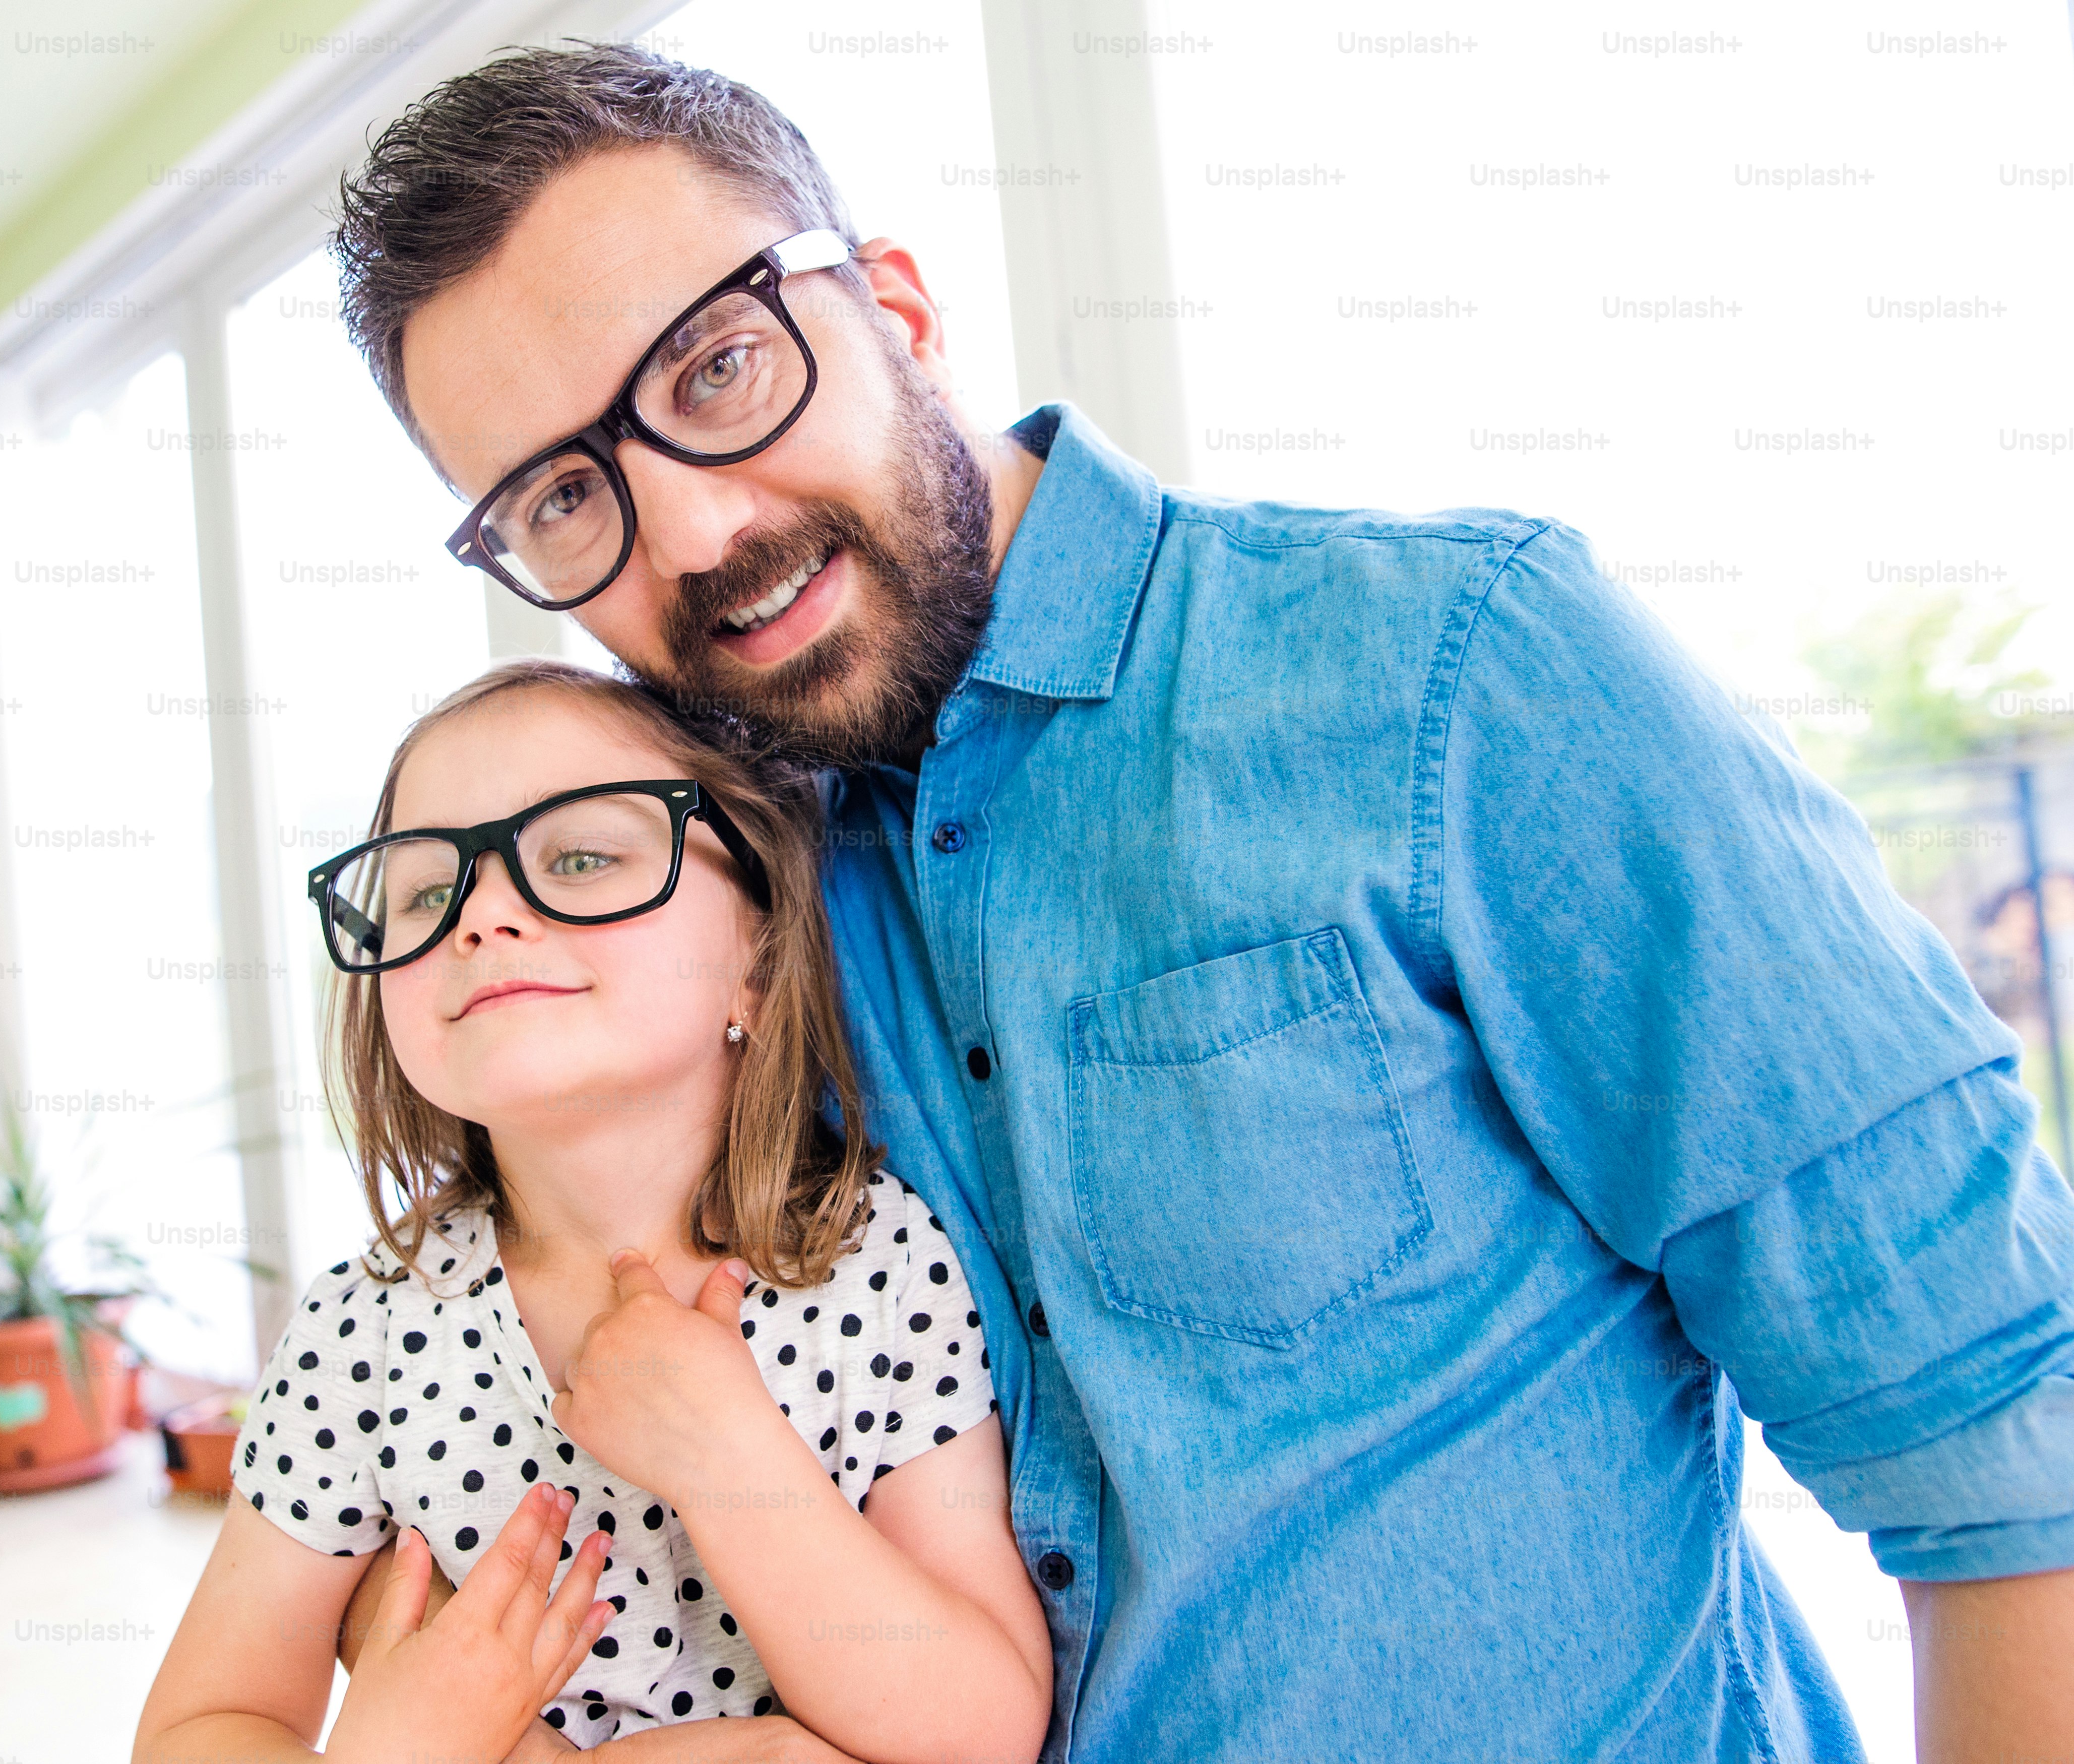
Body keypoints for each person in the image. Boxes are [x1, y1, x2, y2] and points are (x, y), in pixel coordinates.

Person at [322, 41, 2074, 1764]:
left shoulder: (1455, 671)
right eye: (565, 496)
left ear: (901, 313)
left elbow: (2005, 1442)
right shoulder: (713, 908)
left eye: (716, 370)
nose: (692, 530)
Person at [135, 662, 1051, 1764]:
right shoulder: (358, 1338)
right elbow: (200, 1725)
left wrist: (730, 1459)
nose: (478, 917)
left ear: (755, 962)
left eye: (578, 857)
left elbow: (983, 1725)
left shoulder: (878, 1266)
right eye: (425, 892)